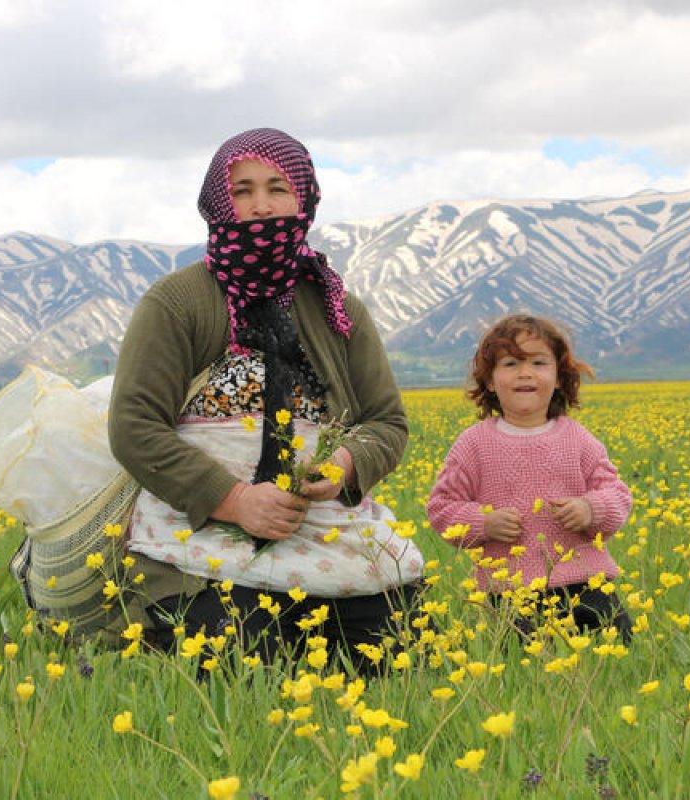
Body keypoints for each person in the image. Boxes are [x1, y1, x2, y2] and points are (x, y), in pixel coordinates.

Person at [108, 128, 423, 667]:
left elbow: (386, 422)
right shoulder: (176, 302)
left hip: (323, 531)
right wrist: (236, 501)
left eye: (277, 188)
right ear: (216, 202)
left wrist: (345, 464)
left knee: (402, 661)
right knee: (248, 664)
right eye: (242, 189)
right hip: (198, 535)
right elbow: (135, 426)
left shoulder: (335, 304)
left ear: (305, 199)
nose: (260, 207)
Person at [426, 314, 633, 641]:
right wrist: (484, 523)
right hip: (510, 590)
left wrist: (590, 509)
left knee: (622, 658)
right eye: (510, 364)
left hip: (589, 582)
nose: (525, 373)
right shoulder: (474, 444)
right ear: (490, 381)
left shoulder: (578, 438)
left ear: (559, 377)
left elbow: (618, 496)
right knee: (524, 671)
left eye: (539, 362)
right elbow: (441, 507)